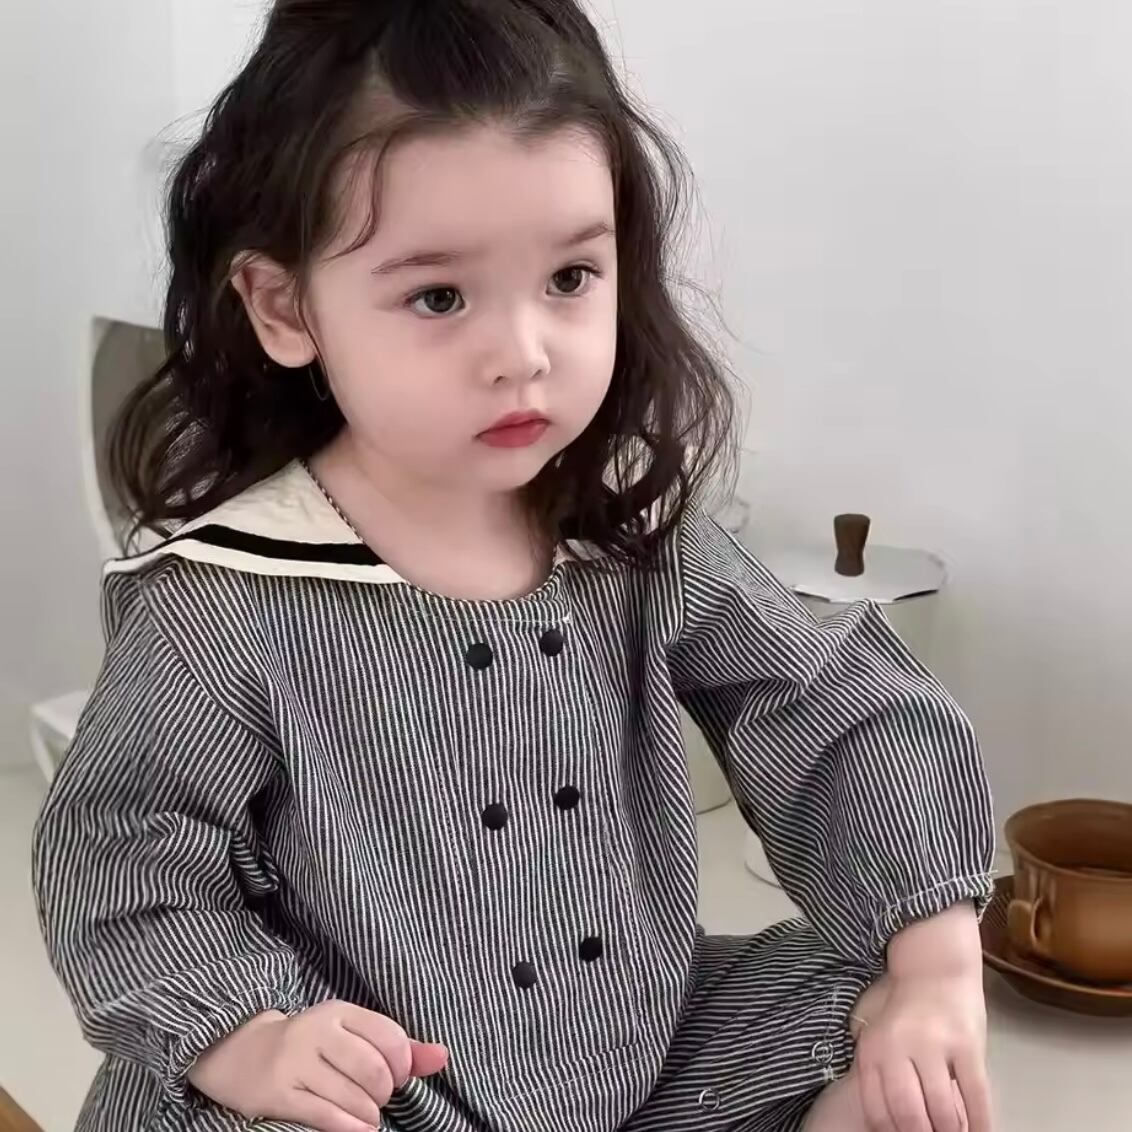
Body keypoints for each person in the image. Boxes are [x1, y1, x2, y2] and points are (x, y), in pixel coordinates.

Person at [32, 1, 997, 1130]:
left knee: (887, 1027)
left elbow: (830, 702)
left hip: (636, 1056)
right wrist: (249, 1038)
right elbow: (126, 853)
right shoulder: (224, 601)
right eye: (439, 296)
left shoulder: (635, 534)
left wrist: (934, 965)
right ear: (285, 307)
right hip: (379, 1088)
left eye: (571, 278)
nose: (525, 355)